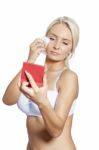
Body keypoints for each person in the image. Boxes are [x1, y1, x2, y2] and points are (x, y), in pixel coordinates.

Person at [3, 16, 80, 150]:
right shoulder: (34, 72)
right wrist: (30, 60)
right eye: (52, 38)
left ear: (71, 50)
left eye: (65, 42)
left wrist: (42, 101)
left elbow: (56, 131)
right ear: (44, 40)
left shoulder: (68, 77)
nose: (56, 46)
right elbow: (7, 100)